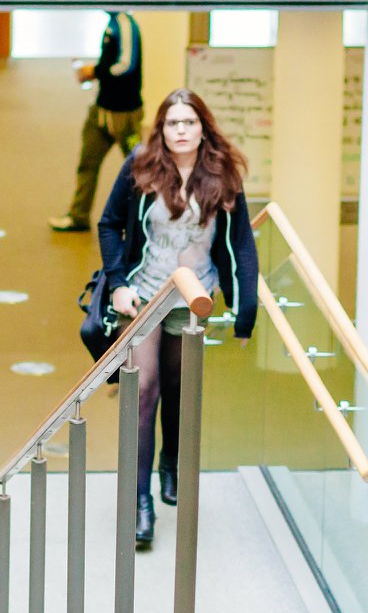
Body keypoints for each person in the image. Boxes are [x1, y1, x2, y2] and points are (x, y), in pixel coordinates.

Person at [98, 88, 258, 547]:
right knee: (144, 390)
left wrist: (245, 311)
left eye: (189, 122)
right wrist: (118, 283)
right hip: (146, 295)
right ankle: (139, 500)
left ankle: (171, 462)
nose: (181, 131)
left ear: (203, 127)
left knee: (178, 388)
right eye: (173, 123)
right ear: (161, 130)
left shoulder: (223, 174)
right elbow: (109, 224)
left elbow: (242, 243)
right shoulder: (141, 165)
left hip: (194, 299)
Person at [50, 10, 144, 233]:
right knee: (88, 163)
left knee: (140, 169)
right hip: (101, 109)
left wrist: (94, 71)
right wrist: (96, 70)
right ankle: (78, 215)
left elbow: (125, 64)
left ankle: (147, 223)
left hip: (124, 114)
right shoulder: (112, 23)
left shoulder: (125, 24)